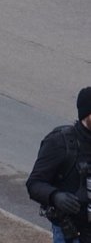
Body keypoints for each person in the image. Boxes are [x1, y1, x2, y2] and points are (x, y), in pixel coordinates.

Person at [27, 86, 91, 242]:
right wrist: (55, 196)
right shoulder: (59, 142)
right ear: (86, 114)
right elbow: (34, 184)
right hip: (71, 233)